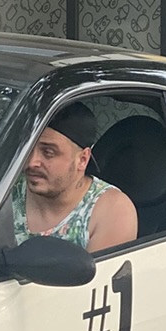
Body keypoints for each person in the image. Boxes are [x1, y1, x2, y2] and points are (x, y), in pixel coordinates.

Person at [12, 100, 136, 253]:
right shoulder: (6, 191)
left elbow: (99, 276)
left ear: (82, 159)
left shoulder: (111, 210)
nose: (31, 163)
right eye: (28, 150)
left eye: (48, 153)